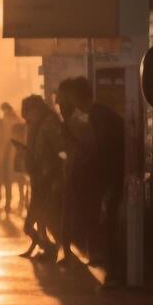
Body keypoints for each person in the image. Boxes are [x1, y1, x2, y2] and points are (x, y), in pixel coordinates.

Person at [64, 77, 126, 283]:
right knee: (106, 223)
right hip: (110, 176)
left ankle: (114, 271)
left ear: (78, 96)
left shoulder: (98, 116)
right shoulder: (99, 114)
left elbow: (103, 150)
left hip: (110, 178)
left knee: (108, 223)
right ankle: (112, 268)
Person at [56, 77, 98, 268]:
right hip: (71, 174)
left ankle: (91, 252)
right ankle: (68, 251)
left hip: (83, 175)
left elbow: (88, 148)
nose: (58, 104)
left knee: (84, 214)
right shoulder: (68, 122)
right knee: (68, 214)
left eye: (62, 99)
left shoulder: (81, 121)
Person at [21, 95, 64, 260]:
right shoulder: (39, 125)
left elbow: (56, 150)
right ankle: (47, 248)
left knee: (43, 218)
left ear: (36, 110)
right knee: (40, 218)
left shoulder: (48, 125)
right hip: (41, 178)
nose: (26, 117)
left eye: (27, 112)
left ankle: (51, 248)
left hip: (47, 178)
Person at [0, 101, 24, 211]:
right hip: (11, 148)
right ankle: (17, 199)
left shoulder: (9, 119)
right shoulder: (15, 118)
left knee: (12, 175)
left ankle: (15, 200)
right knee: (16, 176)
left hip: (11, 148)